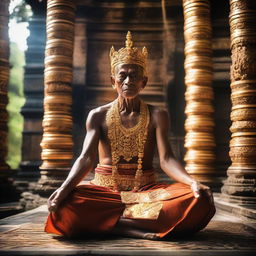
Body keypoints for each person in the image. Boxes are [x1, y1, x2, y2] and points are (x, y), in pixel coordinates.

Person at [45, 31, 215, 240]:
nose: (127, 81)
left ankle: (108, 222)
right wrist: (63, 189)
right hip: (106, 191)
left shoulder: (157, 115)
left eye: (134, 76)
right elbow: (86, 158)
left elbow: (167, 159)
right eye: (122, 75)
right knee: (69, 203)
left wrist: (192, 182)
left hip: (146, 191)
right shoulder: (98, 115)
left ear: (143, 82)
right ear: (112, 81)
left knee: (196, 198)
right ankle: (129, 227)